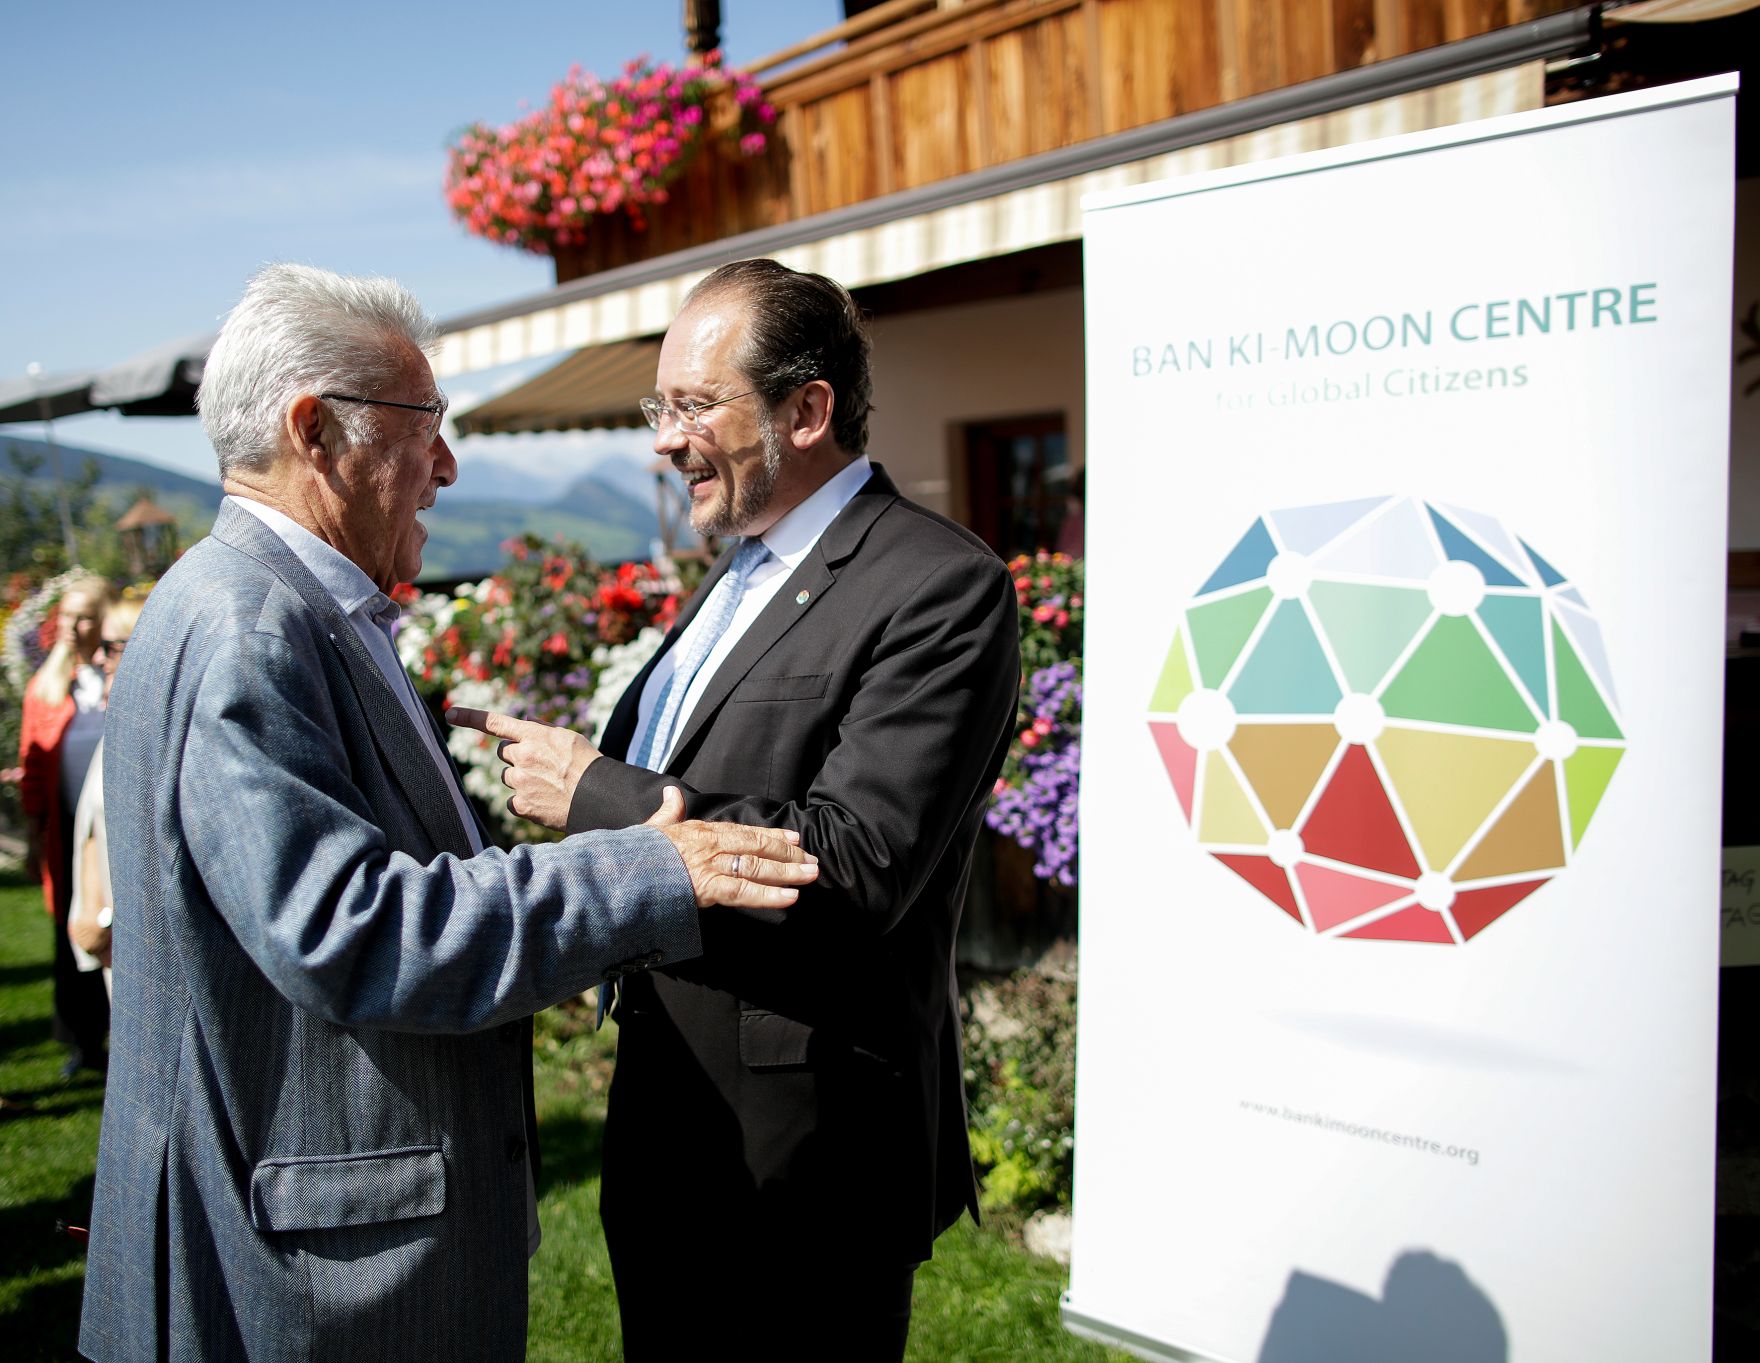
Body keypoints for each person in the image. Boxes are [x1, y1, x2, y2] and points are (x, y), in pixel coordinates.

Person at [78, 263, 818, 1363]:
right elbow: (355, 928)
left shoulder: (285, 608)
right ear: (316, 431)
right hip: (305, 1288)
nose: (448, 464)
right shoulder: (251, 624)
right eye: (424, 423)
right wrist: (653, 868)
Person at [450, 258, 1021, 1361]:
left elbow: (858, 862)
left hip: (804, 1159)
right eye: (657, 406)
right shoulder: (740, 570)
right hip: (673, 1120)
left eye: (692, 405)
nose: (663, 439)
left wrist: (596, 792)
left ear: (808, 409)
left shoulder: (939, 585)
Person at [17, 573, 114, 1076]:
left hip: (109, 824)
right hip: (65, 828)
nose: (76, 628)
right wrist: (34, 833)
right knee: (70, 929)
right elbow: (32, 769)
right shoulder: (48, 685)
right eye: (68, 618)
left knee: (113, 925)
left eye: (85, 616)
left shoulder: (116, 677)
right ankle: (82, 1038)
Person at [66, 595, 146, 997]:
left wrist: (108, 919)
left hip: (140, 943)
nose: (99, 658)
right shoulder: (118, 718)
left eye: (113, 647)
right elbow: (94, 823)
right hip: (113, 937)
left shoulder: (151, 730)